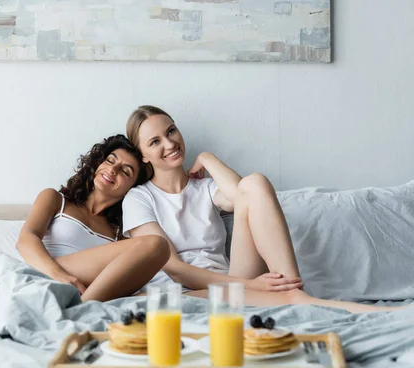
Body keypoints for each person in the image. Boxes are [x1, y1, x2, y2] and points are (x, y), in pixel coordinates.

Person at [123, 105, 397, 313]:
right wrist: (254, 285)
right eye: (155, 141)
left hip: (233, 280)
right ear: (143, 155)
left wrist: (207, 158)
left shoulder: (205, 188)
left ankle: (293, 287)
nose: (170, 143)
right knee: (284, 296)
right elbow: (176, 270)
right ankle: (378, 312)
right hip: (187, 292)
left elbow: (245, 194)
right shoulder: (139, 198)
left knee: (255, 182)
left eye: (171, 131)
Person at [17, 134, 170, 302]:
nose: (113, 170)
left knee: (166, 292)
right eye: (110, 161)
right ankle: (81, 310)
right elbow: (26, 240)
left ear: (132, 189)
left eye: (125, 171)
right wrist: (61, 276)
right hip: (46, 273)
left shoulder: (119, 234)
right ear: (98, 163)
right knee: (156, 244)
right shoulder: (56, 199)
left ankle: (80, 308)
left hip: (84, 294)